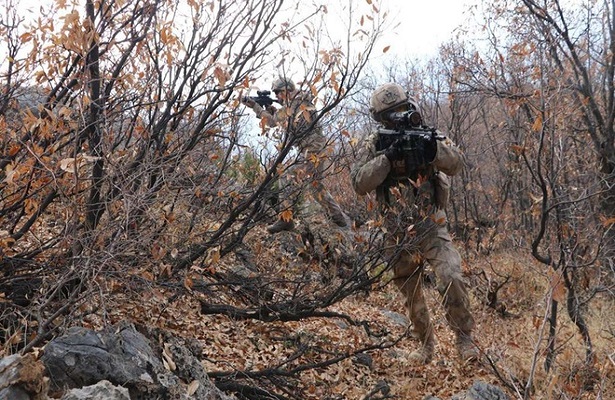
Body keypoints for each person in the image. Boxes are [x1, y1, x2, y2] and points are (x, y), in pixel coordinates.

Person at [350, 82, 478, 364]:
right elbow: (359, 183)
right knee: (411, 292)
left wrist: (433, 151)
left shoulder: (427, 134)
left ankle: (464, 340)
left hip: (430, 224)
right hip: (396, 231)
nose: (397, 118)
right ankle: (425, 347)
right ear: (380, 119)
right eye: (390, 114)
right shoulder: (375, 143)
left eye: (401, 110)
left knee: (451, 276)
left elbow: (457, 164)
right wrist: (387, 158)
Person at [242, 76, 350, 233]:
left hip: (312, 150)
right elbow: (283, 119)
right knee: (316, 187)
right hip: (314, 149)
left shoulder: (296, 103)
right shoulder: (298, 102)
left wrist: (256, 108)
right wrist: (272, 110)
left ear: (286, 90)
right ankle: (339, 219)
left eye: (279, 92)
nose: (277, 96)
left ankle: (286, 221)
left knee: (287, 178)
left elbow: (273, 122)